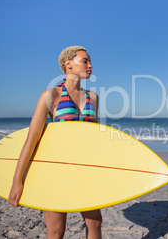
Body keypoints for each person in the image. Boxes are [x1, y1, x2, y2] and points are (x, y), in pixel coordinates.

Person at [8, 46, 102, 239]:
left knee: (95, 223)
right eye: (85, 61)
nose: (90, 65)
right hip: (55, 169)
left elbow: (94, 139)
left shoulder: (93, 98)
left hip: (84, 168)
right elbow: (32, 139)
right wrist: (17, 181)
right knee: (57, 230)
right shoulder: (51, 96)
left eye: (90, 61)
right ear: (68, 64)